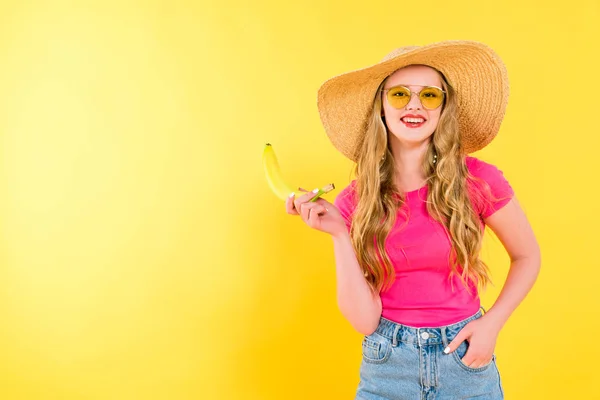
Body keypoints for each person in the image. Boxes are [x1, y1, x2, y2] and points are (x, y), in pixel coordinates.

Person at [285, 41, 541, 399]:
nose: (415, 105)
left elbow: (528, 256)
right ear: (381, 108)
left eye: (430, 96)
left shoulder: (479, 181)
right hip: (388, 363)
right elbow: (363, 321)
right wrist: (339, 235)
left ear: (444, 109)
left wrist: (491, 325)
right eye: (401, 94)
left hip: (464, 358)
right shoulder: (355, 200)